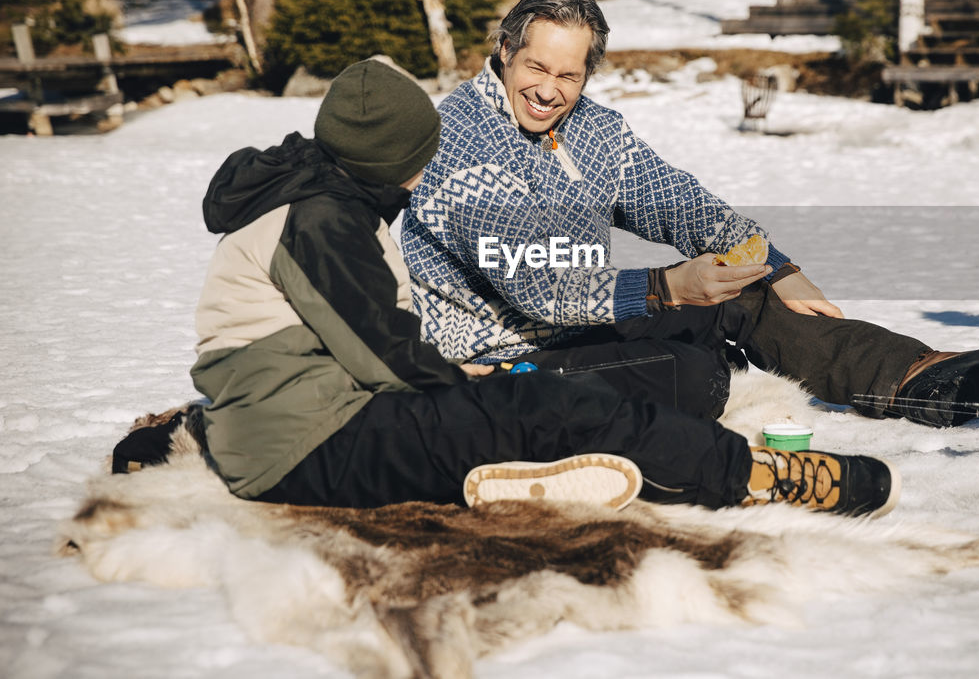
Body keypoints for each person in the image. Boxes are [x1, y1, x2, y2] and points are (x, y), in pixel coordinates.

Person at [183, 54, 900, 519]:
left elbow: (357, 347)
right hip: (312, 442)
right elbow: (394, 360)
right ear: (387, 159)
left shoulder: (321, 197)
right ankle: (759, 475)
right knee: (553, 407)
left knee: (540, 401)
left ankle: (514, 466)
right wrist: (487, 392)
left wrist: (766, 263)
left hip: (308, 421)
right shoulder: (322, 220)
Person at [400, 0, 979, 427]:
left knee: (744, 294)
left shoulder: (587, 129)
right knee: (695, 371)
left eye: (568, 75)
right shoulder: (459, 140)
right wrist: (666, 286)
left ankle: (916, 376)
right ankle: (717, 374)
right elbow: (539, 287)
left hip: (574, 332)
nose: (549, 90)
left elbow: (674, 199)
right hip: (497, 366)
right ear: (505, 49)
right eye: (536, 68)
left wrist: (774, 264)